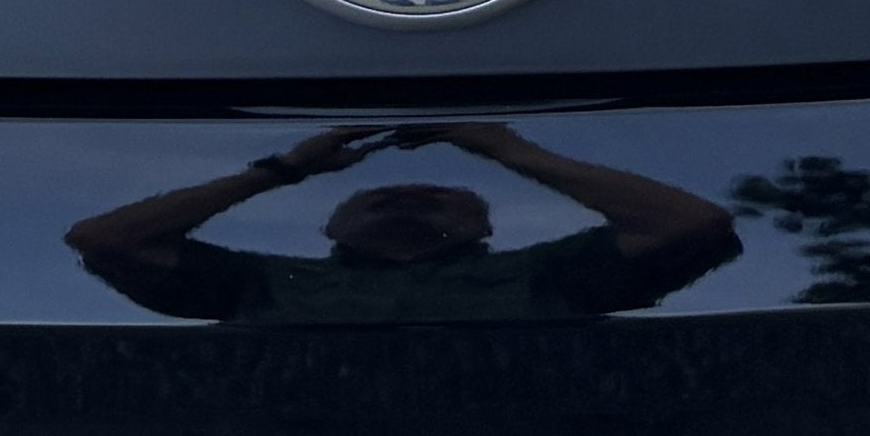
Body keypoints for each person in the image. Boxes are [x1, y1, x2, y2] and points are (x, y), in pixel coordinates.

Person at [64, 118, 739, 323]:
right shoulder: (263, 283)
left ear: (484, 228)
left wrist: (507, 149)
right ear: (329, 227)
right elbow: (103, 239)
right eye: (378, 195)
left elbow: (692, 225)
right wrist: (282, 169)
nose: (408, 194)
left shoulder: (549, 274)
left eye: (441, 193)